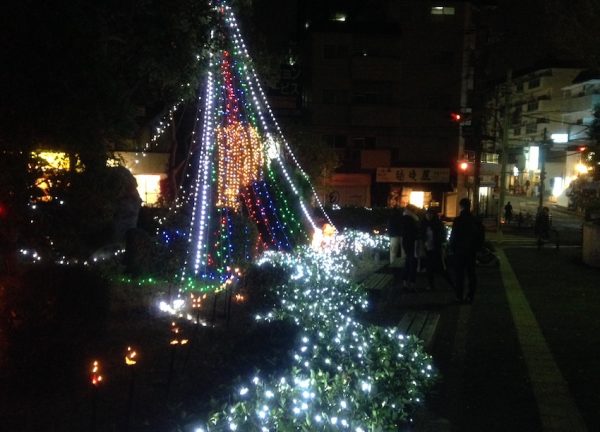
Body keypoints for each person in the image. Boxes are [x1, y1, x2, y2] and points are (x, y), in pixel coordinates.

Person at [449, 198, 482, 303]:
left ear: (461, 206)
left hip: (459, 251)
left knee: (459, 275)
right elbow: (481, 235)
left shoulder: (458, 220)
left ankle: (459, 296)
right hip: (471, 251)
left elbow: (453, 236)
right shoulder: (475, 220)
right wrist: (478, 248)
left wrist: (452, 248)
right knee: (471, 274)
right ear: (469, 206)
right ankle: (470, 296)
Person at [422, 208, 454, 291]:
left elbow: (442, 235)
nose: (428, 216)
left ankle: (452, 284)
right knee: (429, 268)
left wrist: (440, 242)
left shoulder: (438, 224)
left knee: (441, 268)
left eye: (430, 214)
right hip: (428, 249)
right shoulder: (424, 224)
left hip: (436, 249)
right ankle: (431, 285)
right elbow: (421, 235)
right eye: (427, 214)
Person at [400, 205, 420, 291]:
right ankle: (412, 284)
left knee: (407, 263)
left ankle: (404, 283)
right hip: (413, 243)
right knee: (413, 264)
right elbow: (415, 233)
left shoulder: (403, 218)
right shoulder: (413, 220)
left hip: (406, 243)